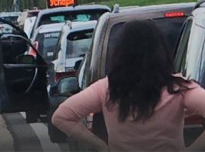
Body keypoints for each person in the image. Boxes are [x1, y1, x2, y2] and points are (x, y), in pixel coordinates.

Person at [52, 20, 205, 151]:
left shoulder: (107, 88)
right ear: (161, 51)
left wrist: (100, 145)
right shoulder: (179, 88)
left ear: (120, 52)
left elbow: (61, 116)